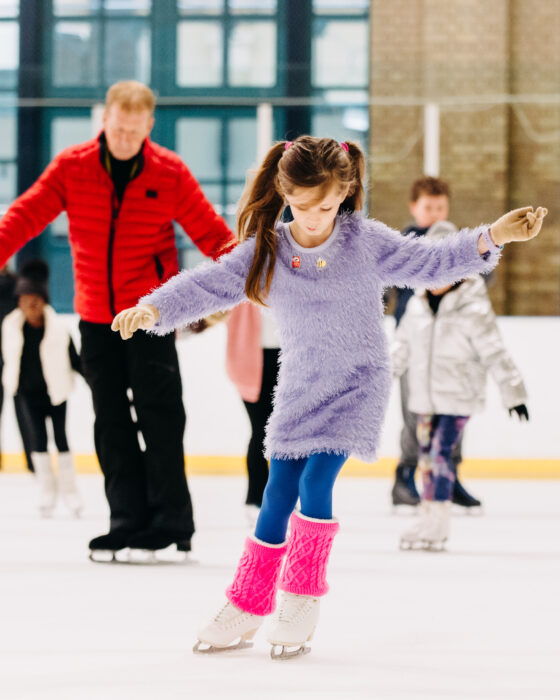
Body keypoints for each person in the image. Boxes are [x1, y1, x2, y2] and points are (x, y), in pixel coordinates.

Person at [112, 136, 546, 658]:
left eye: (326, 205)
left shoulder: (364, 241)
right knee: (276, 494)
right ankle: (248, 603)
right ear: (283, 192)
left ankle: (300, 597)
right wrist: (154, 309)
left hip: (358, 381)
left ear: (345, 192)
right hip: (300, 385)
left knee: (317, 481)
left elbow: (430, 263)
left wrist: (493, 235)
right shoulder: (267, 250)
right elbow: (210, 284)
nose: (314, 217)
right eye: (301, 205)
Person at [0, 81, 237, 558]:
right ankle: (126, 520)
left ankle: (173, 520)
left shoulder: (169, 172)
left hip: (150, 315)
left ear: (148, 126)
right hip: (95, 318)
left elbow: (213, 234)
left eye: (135, 131)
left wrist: (246, 273)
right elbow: (25, 216)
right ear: (103, 121)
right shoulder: (73, 167)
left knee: (160, 417)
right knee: (110, 422)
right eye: (118, 128)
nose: (126, 138)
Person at [391, 223, 530, 551]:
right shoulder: (416, 305)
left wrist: (514, 393)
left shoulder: (474, 306)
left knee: (441, 455)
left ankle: (438, 523)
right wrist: (378, 382)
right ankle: (428, 516)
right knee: (425, 457)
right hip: (424, 397)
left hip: (458, 396)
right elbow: (400, 349)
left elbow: (495, 352)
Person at [389, 176, 482, 510]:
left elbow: (486, 273)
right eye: (428, 207)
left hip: (452, 348)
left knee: (453, 413)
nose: (435, 212)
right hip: (413, 346)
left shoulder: (460, 242)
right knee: (416, 416)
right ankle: (404, 478)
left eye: (440, 206)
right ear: (415, 208)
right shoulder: (402, 245)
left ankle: (450, 477)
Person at [2, 260, 83, 516]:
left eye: (35, 300)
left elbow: (76, 361)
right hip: (27, 393)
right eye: (25, 301)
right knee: (37, 441)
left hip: (56, 393)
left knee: (61, 439)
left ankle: (70, 492)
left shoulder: (59, 329)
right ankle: (46, 490)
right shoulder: (10, 328)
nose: (30, 306)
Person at [225, 303, 280, 526]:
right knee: (261, 431)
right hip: (251, 360)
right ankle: (256, 498)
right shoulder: (246, 272)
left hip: (289, 354)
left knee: (286, 436)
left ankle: (283, 498)